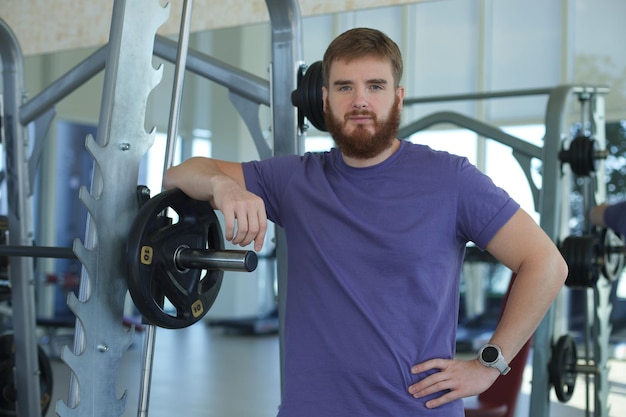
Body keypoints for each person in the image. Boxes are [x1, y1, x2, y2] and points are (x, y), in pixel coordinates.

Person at [163, 28, 568, 416]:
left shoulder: (451, 180)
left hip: (416, 410)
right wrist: (223, 186)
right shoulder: (294, 180)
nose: (360, 101)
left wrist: (488, 364)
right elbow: (179, 173)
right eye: (345, 87)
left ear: (398, 98)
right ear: (324, 100)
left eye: (375, 86)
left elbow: (546, 263)